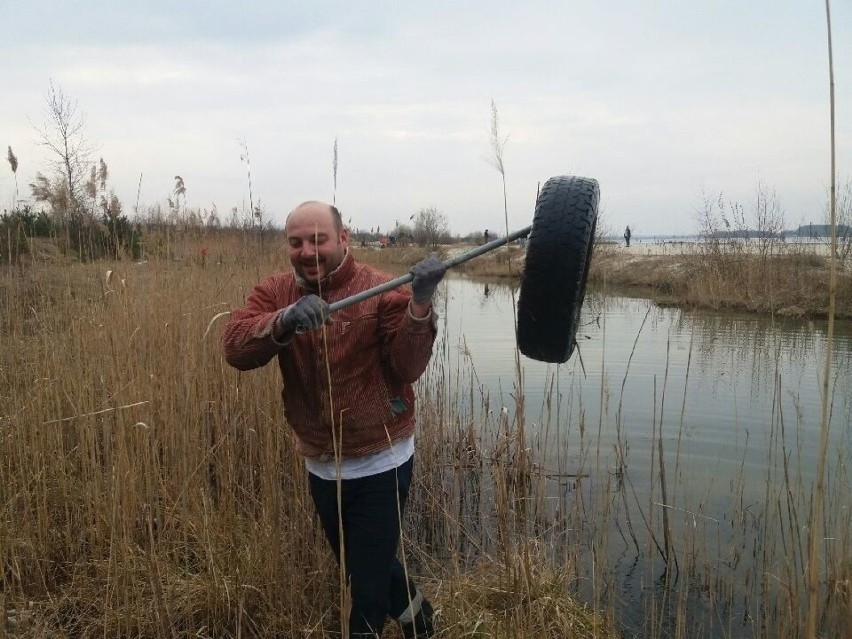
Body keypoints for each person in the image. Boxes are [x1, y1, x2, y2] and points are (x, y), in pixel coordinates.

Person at [221, 201, 444, 638]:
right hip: (321, 462)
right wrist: (283, 321)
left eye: (318, 239)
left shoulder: (382, 288)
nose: (307, 251)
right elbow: (235, 349)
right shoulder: (275, 293)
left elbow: (407, 367)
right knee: (359, 564)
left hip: (382, 459)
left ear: (342, 239)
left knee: (362, 592)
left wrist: (420, 305)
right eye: (296, 242)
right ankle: (420, 620)